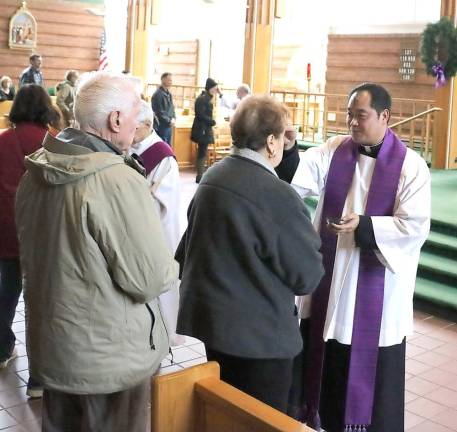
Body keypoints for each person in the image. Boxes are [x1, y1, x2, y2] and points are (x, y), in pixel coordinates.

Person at [15, 72, 179, 432]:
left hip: (56, 350)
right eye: (136, 112)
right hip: (109, 361)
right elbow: (150, 278)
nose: (139, 122)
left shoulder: (37, 170)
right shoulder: (115, 181)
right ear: (116, 119)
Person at [277, 83, 431, 431]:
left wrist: (366, 227)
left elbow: (415, 227)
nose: (352, 124)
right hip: (331, 291)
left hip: (377, 298)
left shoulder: (411, 167)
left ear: (385, 116)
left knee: (373, 394)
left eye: (360, 116)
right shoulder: (335, 150)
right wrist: (288, 149)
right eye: (349, 116)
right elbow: (300, 178)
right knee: (328, 376)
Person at [176, 95, 324, 413]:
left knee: (219, 416)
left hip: (210, 329)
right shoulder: (277, 197)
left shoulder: (212, 178)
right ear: (272, 142)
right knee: (259, 420)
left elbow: (183, 254)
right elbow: (307, 276)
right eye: (284, 136)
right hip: (260, 343)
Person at [0, 84, 59, 398]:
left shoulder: (3, 141)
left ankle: (1, 348)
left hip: (6, 228)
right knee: (42, 304)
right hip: (43, 234)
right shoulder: (53, 144)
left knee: (6, 293)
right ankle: (39, 379)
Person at [130, 100, 184, 346]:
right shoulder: (127, 147)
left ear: (148, 124)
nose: (130, 131)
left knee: (157, 298)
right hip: (131, 234)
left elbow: (165, 205)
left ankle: (160, 336)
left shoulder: (163, 157)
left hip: (155, 236)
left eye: (134, 126)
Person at [191, 77, 218, 183]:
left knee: (203, 150)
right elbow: (200, 114)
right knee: (202, 151)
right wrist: (211, 121)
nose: (216, 90)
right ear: (210, 88)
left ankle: (201, 174)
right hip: (202, 129)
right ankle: (200, 175)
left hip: (204, 129)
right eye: (215, 88)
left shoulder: (206, 98)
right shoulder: (203, 99)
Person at [151, 72, 175, 145]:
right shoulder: (158, 94)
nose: (171, 82)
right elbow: (158, 111)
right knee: (162, 146)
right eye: (169, 80)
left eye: (171, 80)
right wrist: (168, 121)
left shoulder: (169, 93)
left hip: (168, 125)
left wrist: (173, 118)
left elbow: (172, 108)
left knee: (168, 146)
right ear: (163, 80)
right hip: (161, 125)